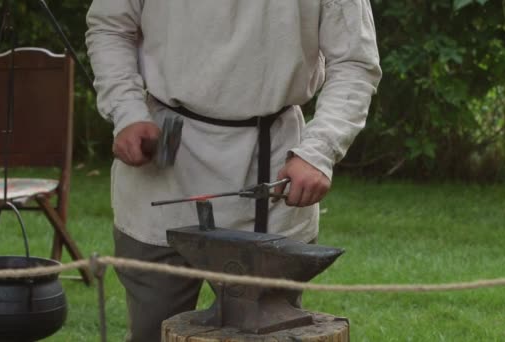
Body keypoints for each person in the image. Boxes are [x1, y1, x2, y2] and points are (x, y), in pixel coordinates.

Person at [86, 1, 381, 341]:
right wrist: (127, 112)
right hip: (166, 168)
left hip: (272, 161)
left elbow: (355, 62)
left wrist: (318, 151)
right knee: (153, 331)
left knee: (269, 331)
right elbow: (110, 27)